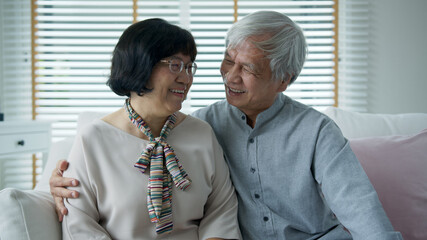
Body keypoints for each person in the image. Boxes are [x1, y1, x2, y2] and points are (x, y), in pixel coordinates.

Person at [51, 11, 402, 239]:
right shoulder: (203, 125)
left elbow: (363, 211)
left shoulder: (316, 132)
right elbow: (85, 194)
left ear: (284, 80)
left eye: (248, 69)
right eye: (227, 61)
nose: (231, 77)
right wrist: (55, 184)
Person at [58, 18, 241, 240]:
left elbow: (221, 212)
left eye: (189, 67)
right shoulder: (93, 140)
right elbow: (79, 226)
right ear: (141, 65)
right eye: (175, 65)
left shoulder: (201, 134)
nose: (186, 78)